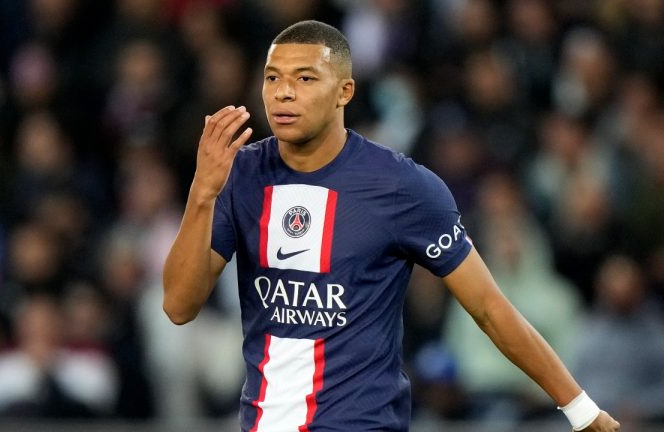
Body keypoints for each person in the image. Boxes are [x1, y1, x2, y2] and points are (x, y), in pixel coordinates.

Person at [163, 20, 620, 431]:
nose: (283, 92)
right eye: (272, 78)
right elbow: (179, 307)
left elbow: (489, 308)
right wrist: (202, 193)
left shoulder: (402, 187)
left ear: (345, 92)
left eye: (305, 79)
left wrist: (580, 409)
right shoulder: (239, 175)